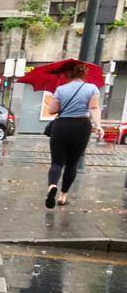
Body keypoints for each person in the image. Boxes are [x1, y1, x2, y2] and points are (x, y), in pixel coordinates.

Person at [44, 62, 103, 208]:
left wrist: (57, 99)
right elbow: (94, 108)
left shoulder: (61, 89)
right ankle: (63, 196)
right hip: (81, 126)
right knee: (72, 164)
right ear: (83, 73)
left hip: (61, 126)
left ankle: (52, 186)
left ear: (67, 74)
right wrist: (98, 126)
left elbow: (52, 110)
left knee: (57, 162)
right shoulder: (92, 88)